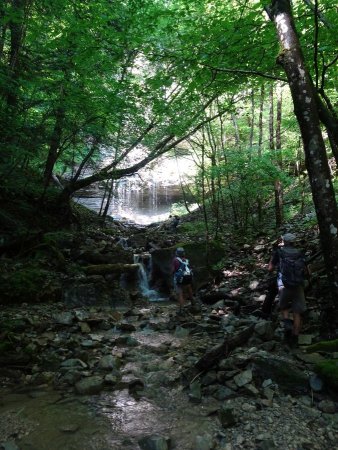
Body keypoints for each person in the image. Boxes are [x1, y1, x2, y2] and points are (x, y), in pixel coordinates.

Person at [268, 233, 307, 346]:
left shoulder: (279, 252)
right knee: (297, 312)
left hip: (283, 284)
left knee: (284, 307)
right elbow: (308, 271)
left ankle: (287, 325)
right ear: (294, 242)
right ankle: (295, 338)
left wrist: (272, 258)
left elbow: (270, 268)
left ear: (284, 241)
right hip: (298, 285)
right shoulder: (300, 253)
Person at [172, 247, 195, 311]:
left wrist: (173, 274)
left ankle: (182, 309)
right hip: (188, 277)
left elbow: (174, 270)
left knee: (180, 293)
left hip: (180, 278)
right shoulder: (186, 260)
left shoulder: (175, 260)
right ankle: (193, 303)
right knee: (189, 289)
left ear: (177, 253)